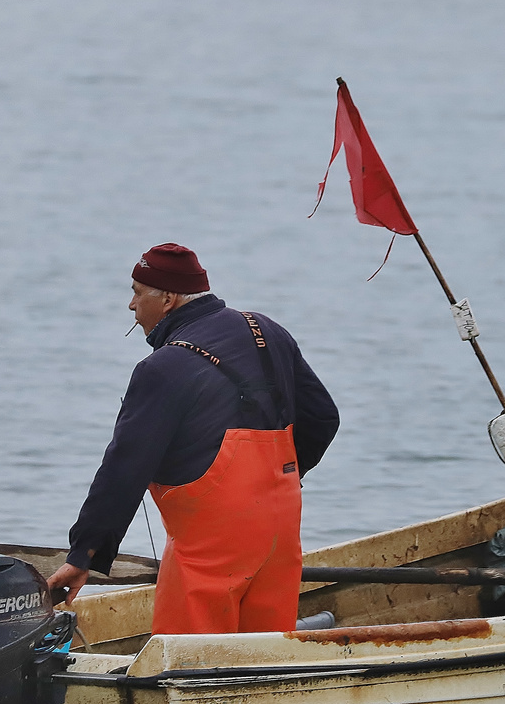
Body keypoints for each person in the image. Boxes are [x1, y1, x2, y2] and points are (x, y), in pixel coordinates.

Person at [46, 243, 339, 634]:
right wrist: (279, 471)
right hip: (279, 523)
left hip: (211, 544)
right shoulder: (268, 330)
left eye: (137, 292)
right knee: (265, 653)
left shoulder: (162, 367)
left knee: (188, 662)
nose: (131, 306)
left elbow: (125, 467)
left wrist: (83, 554)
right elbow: (323, 418)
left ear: (167, 299)